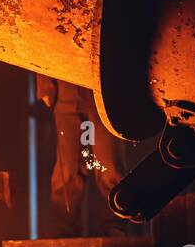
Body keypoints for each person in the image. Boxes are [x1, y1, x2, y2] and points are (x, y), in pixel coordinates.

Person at [34, 74, 131, 237]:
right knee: (68, 167)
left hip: (104, 95)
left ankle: (114, 225)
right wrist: (45, 84)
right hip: (68, 93)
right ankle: (64, 227)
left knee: (110, 164)